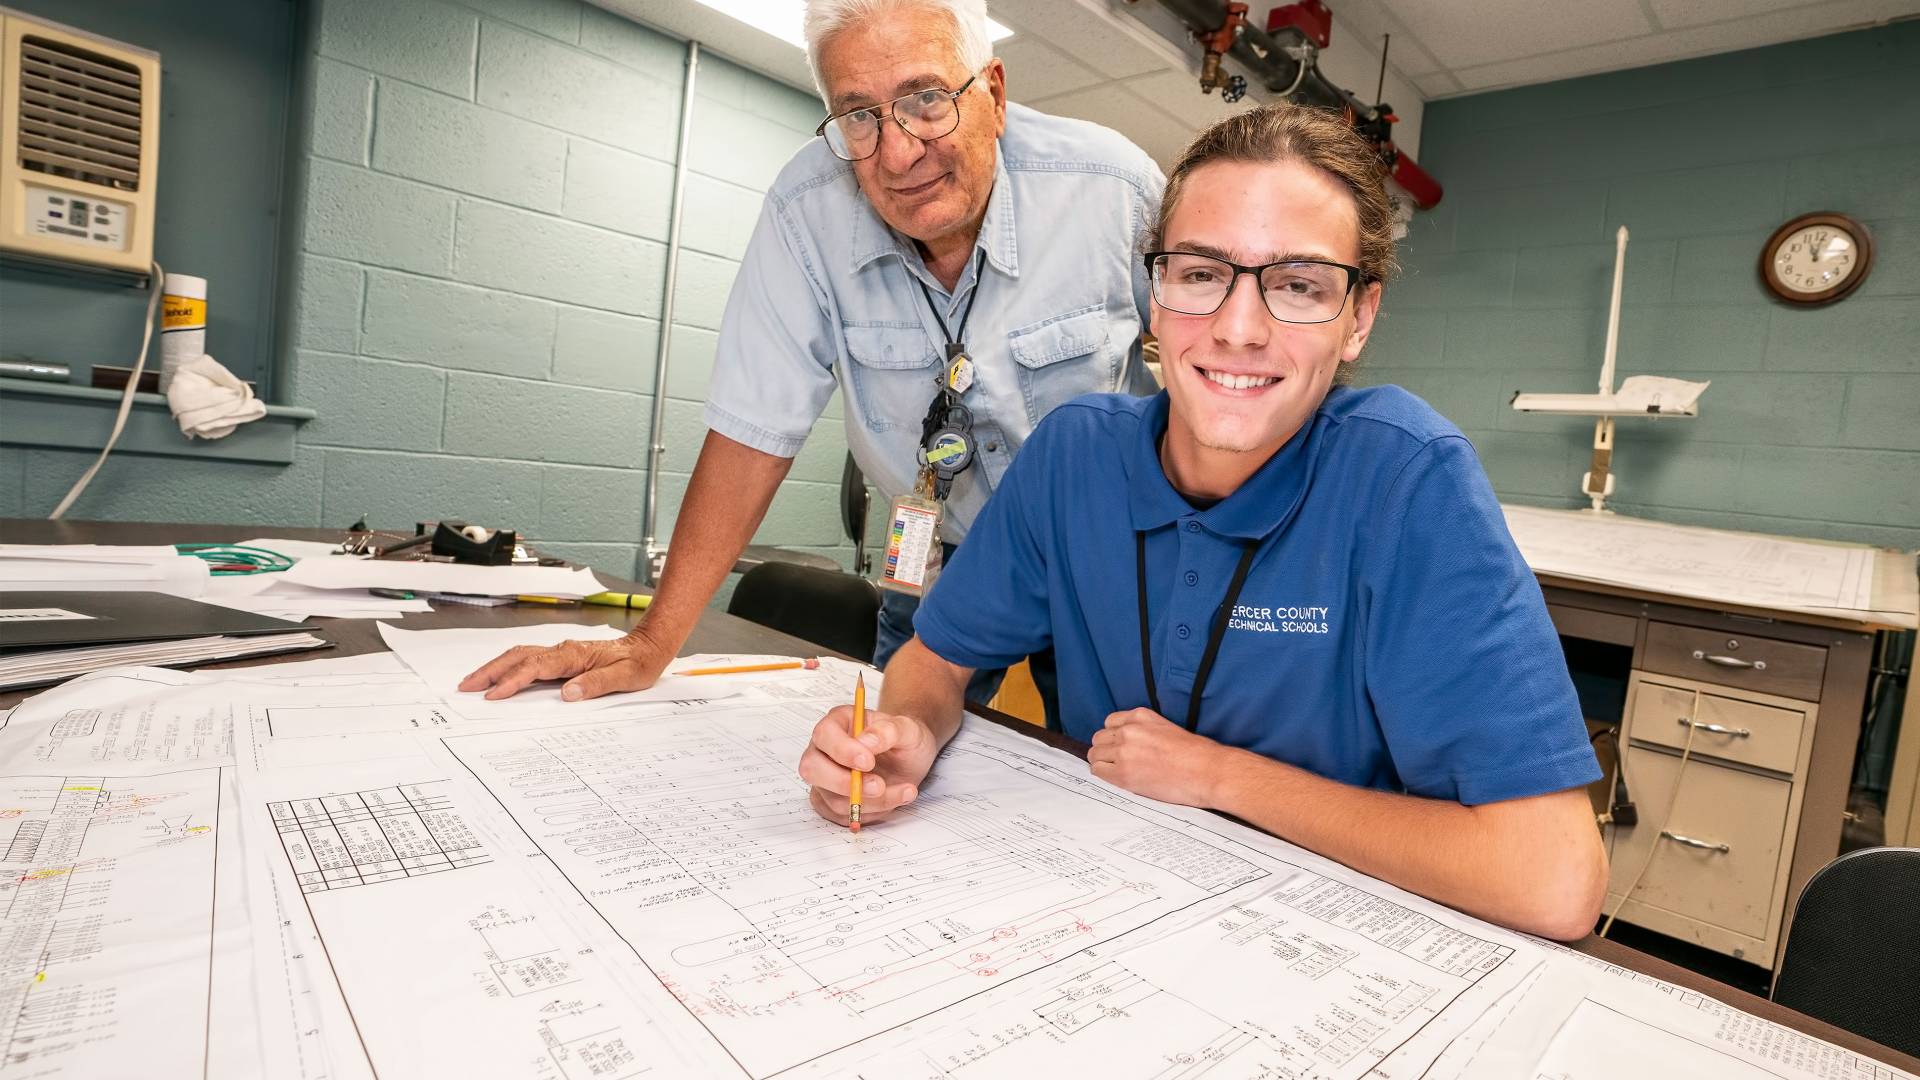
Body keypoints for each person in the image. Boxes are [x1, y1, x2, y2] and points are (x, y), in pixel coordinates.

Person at [794, 104, 1610, 939]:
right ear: (1155, 294)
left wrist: (1221, 776)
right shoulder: (1074, 456)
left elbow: (1550, 878)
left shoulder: (1405, 480)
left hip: (1320, 931)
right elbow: (936, 659)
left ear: (1358, 318)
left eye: (1298, 285)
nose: (1238, 329)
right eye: (1200, 274)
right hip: (1091, 905)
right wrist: (910, 736)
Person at [460, 0, 1162, 722]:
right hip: (932, 551)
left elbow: (1220, 377)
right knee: (890, 757)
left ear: (995, 93)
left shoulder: (1112, 192)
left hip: (1100, 550)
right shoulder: (806, 212)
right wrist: (652, 642)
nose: (896, 154)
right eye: (859, 116)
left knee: (1117, 766)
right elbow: (751, 431)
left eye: (926, 101)